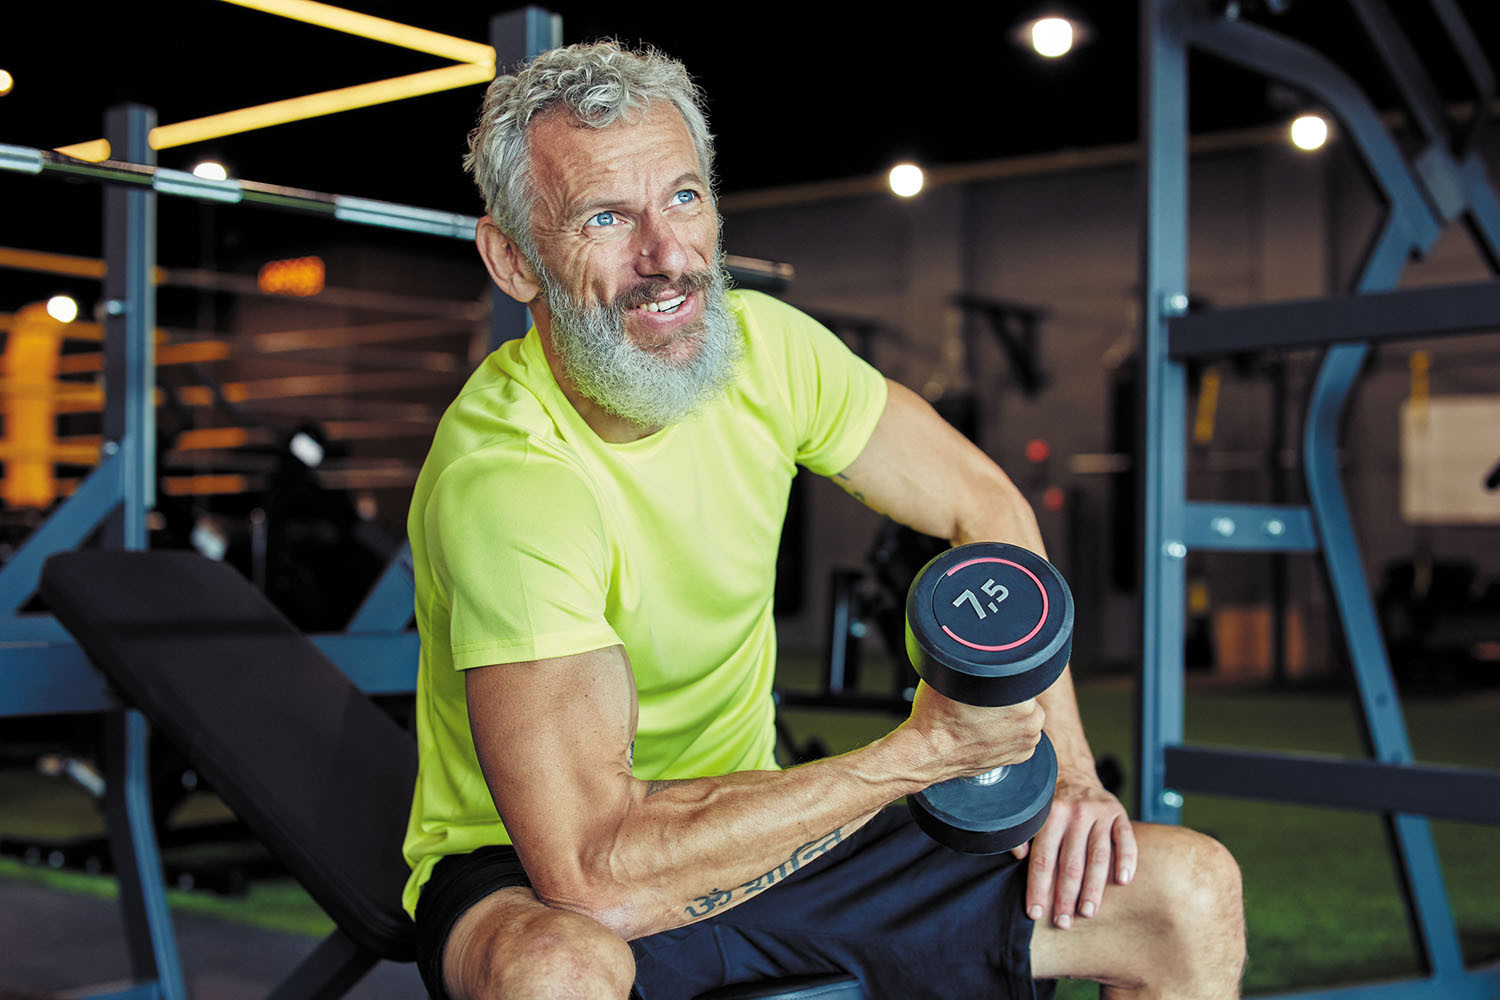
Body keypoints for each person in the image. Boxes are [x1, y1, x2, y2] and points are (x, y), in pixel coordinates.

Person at [402, 40, 1245, 1000]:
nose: (667, 255)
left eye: (684, 197)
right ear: (514, 260)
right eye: (606, 217)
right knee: (554, 972)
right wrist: (919, 755)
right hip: (528, 865)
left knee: (1187, 894)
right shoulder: (510, 480)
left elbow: (983, 504)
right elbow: (594, 873)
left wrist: (1072, 774)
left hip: (769, 827)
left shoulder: (767, 351)